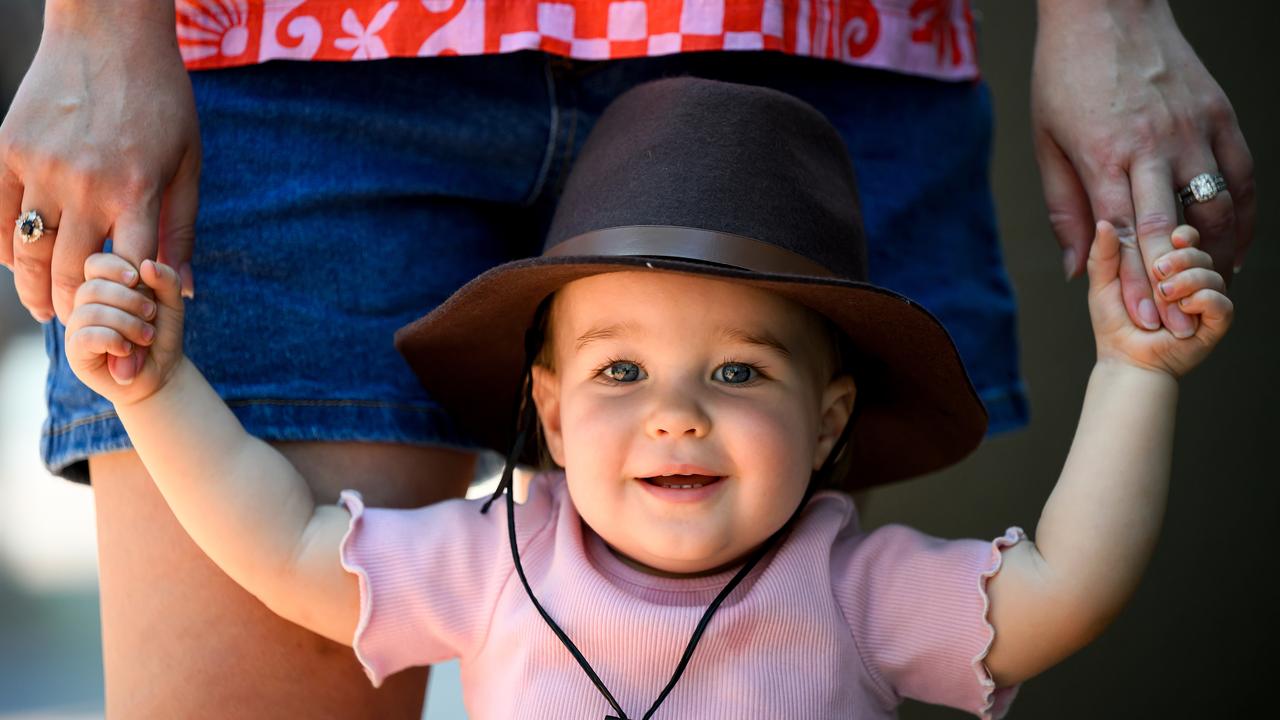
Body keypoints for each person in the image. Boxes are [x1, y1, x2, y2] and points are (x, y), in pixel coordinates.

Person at [1, 1, 1252, 715]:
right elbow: (279, 542)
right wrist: (154, 390)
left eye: (737, 374)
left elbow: (1063, 588)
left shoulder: (850, 586)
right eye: (617, 376)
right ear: (545, 411)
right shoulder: (495, 564)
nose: (675, 418)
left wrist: (1132, 376)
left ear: (829, 419)